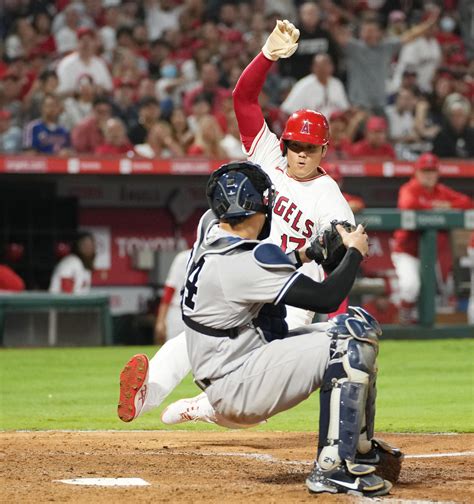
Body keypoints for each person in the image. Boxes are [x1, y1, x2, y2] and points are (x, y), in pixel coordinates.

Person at [116, 20, 358, 427]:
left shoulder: (330, 200)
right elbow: (243, 98)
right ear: (285, 144)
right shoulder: (269, 156)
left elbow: (336, 265)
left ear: (323, 150)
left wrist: (337, 319)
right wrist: (266, 56)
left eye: (309, 147)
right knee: (199, 338)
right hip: (240, 271)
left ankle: (205, 406)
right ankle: (145, 394)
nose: (299, 153)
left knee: (260, 390)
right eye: (294, 144)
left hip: (290, 291)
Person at [119, 161, 401, 497]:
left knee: (357, 328)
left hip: (239, 364)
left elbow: (259, 270)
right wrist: (354, 252)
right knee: (349, 337)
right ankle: (333, 469)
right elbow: (327, 297)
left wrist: (308, 253)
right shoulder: (240, 262)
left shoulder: (210, 229)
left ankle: (360, 449)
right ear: (257, 208)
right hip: (238, 386)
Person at [391, 153, 473, 325]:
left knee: (445, 290)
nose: (429, 175)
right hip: (408, 252)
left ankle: (430, 323)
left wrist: (448, 205)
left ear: (437, 173)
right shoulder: (410, 188)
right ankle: (404, 321)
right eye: (425, 171)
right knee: (410, 287)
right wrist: (434, 206)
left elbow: (467, 202)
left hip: (433, 254)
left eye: (432, 171)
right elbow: (408, 205)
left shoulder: (441, 191)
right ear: (417, 172)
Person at [281, 53, 349, 119]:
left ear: (332, 67)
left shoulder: (337, 84)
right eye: (321, 66)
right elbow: (287, 110)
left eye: (327, 64)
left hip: (334, 127)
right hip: (311, 127)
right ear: (313, 68)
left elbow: (345, 109)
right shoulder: (304, 85)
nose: (324, 69)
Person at [154, 249, 191, 345]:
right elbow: (169, 290)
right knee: (174, 351)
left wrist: (160, 320)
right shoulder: (183, 257)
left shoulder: (213, 256)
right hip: (178, 312)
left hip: (194, 313)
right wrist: (161, 320)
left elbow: (169, 290)